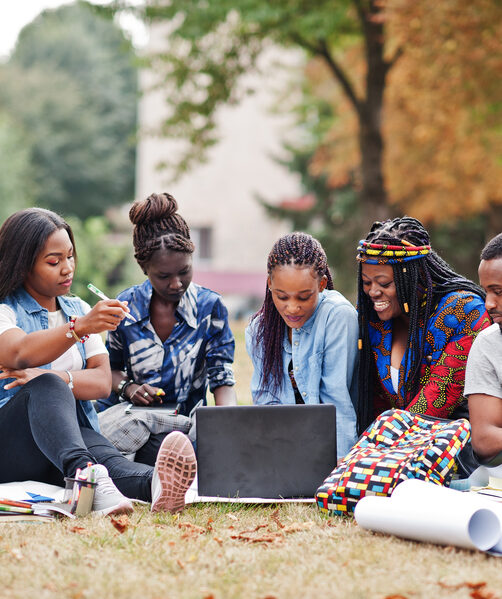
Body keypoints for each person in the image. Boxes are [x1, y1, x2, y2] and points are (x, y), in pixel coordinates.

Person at [0, 208, 196, 516]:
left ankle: (160, 486)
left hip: (67, 440)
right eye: (54, 261)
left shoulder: (77, 308)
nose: (68, 269)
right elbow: (18, 352)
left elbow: (103, 382)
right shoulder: (6, 310)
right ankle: (87, 475)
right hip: (11, 445)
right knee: (47, 385)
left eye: (70, 256)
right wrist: (78, 330)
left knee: (111, 463)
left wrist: (60, 377)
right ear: (24, 265)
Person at [97, 192, 236, 465]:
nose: (176, 284)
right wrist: (129, 387)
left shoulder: (210, 308)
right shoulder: (125, 308)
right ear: (143, 267)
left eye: (184, 271)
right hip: (130, 421)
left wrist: (227, 429)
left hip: (184, 426)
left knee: (193, 451)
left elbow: (222, 379)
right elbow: (108, 370)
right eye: (163, 276)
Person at [355, 216, 490, 439]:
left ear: (413, 277)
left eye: (384, 283)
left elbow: (438, 397)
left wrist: (382, 445)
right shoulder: (373, 319)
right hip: (392, 451)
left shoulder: (463, 311)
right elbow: (377, 403)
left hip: (456, 453)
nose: (373, 292)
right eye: (367, 282)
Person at [245, 232, 358, 459]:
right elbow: (266, 407)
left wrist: (338, 473)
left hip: (333, 451)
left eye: (303, 297)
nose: (292, 308)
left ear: (322, 284)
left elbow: (338, 405)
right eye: (282, 297)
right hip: (283, 453)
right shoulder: (258, 330)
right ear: (269, 285)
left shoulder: (337, 317)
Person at [465, 233, 502, 465]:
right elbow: (484, 439)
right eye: (486, 291)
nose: (488, 303)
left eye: (498, 292)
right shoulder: (488, 344)